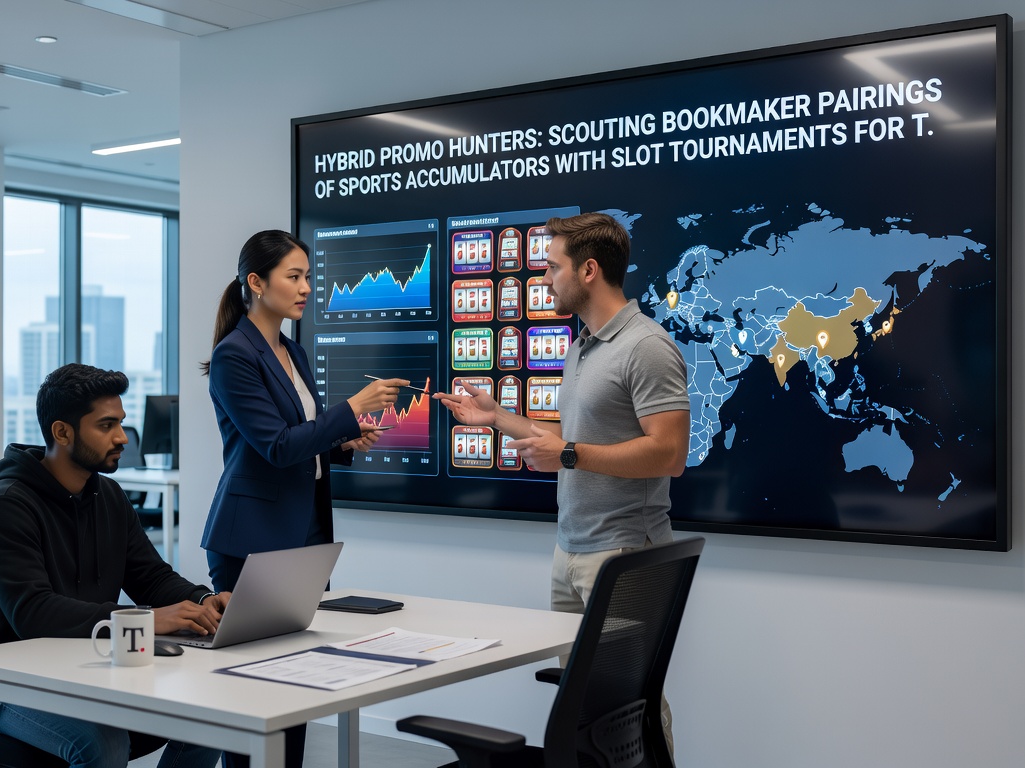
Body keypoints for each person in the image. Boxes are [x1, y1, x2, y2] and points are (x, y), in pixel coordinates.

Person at [433, 212, 690, 756]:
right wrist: (498, 418)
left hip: (624, 556)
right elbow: (572, 441)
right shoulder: (583, 346)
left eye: (552, 267)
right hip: (570, 551)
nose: (544, 278)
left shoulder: (646, 346)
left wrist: (569, 453)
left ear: (589, 270)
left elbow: (669, 454)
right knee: (582, 708)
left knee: (629, 709)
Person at [200, 229, 406, 768]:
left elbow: (301, 437)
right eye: (294, 276)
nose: (307, 288)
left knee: (296, 685)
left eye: (309, 277)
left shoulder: (289, 349)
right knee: (252, 694)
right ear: (256, 282)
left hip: (302, 529)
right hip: (251, 538)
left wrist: (341, 440)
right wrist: (350, 407)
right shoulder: (234, 357)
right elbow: (273, 445)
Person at [0, 363, 231, 768]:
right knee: (101, 745)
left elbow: (151, 577)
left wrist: (204, 601)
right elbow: (33, 614)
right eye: (106, 426)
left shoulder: (108, 496)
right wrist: (145, 619)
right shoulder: (7, 507)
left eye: (121, 423)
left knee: (210, 714)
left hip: (81, 669)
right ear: (62, 432)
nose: (122, 437)